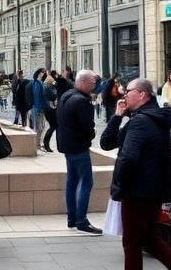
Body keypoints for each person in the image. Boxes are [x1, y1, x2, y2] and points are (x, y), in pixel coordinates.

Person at [99, 78, 171, 270]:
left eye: (128, 91)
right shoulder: (149, 117)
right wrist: (117, 116)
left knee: (131, 243)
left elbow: (128, 159)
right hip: (153, 190)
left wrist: (120, 186)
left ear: (142, 94)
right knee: (149, 240)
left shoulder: (140, 121)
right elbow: (106, 143)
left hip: (137, 191)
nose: (124, 94)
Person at [56, 69, 103, 234]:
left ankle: (72, 218)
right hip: (78, 146)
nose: (94, 86)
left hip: (67, 145)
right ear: (82, 82)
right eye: (92, 83)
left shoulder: (67, 95)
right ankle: (81, 220)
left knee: (72, 181)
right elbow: (87, 126)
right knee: (86, 182)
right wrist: (91, 136)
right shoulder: (81, 101)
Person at [29, 68, 48, 147]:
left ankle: (38, 143)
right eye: (43, 73)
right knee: (39, 127)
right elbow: (37, 96)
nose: (44, 74)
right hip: (38, 107)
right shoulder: (38, 83)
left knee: (41, 126)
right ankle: (37, 143)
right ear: (40, 73)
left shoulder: (34, 82)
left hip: (36, 107)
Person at [41, 75, 59, 152]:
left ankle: (46, 143)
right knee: (53, 126)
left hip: (49, 109)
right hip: (49, 109)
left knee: (53, 126)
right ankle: (46, 143)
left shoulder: (46, 87)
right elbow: (53, 96)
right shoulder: (47, 88)